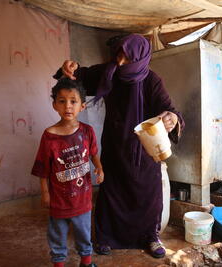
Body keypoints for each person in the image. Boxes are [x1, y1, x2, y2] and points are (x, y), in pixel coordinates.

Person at [54, 34, 184, 258]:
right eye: (119, 56)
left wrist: (171, 118)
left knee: (147, 196)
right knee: (112, 194)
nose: (121, 63)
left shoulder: (152, 81)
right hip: (115, 146)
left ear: (141, 58)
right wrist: (69, 69)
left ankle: (150, 237)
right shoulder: (110, 72)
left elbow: (169, 109)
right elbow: (77, 77)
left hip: (143, 150)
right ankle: (106, 238)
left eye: (127, 58)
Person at [31, 78, 104, 267]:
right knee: (57, 234)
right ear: (55, 105)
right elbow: (42, 167)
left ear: (82, 106)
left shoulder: (87, 131)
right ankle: (59, 264)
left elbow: (94, 153)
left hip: (83, 197)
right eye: (62, 101)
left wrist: (99, 167)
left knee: (84, 232)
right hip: (59, 199)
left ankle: (86, 262)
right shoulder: (49, 136)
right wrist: (45, 192)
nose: (68, 106)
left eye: (73, 101)